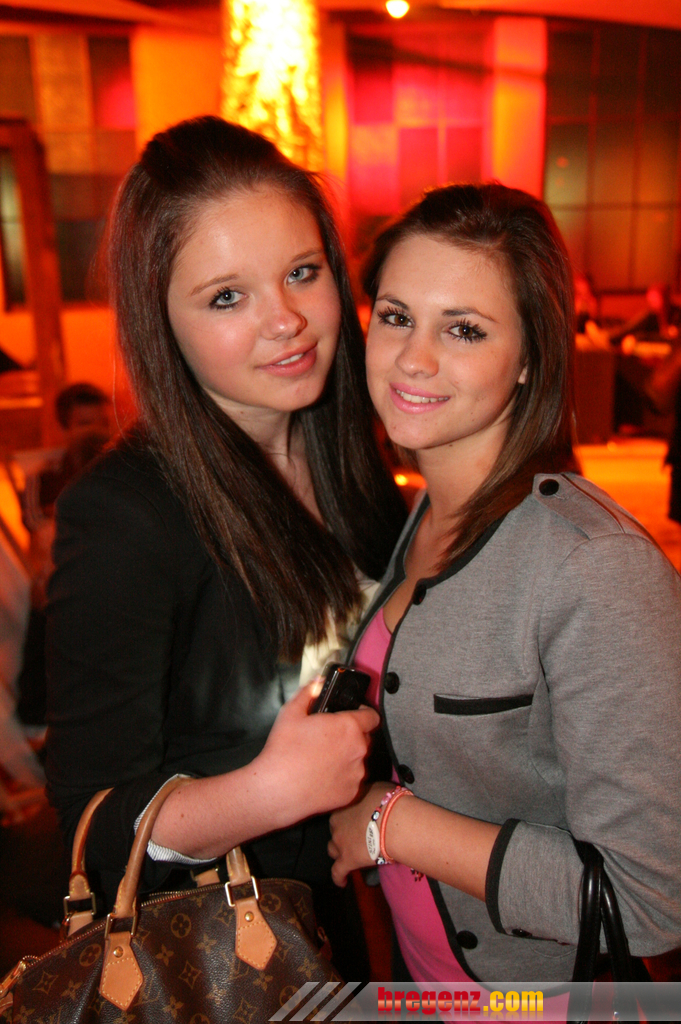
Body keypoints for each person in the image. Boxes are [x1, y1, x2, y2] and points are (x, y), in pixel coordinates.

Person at [45, 116, 406, 972]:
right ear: (160, 319)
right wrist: (264, 793)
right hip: (217, 964)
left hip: (352, 928)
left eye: (302, 273)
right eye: (225, 297)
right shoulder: (126, 514)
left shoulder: (350, 457)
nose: (286, 320)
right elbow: (91, 824)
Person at [328, 183, 681, 988]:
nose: (413, 358)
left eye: (463, 329)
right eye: (395, 316)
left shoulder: (592, 567)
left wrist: (392, 825)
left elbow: (650, 902)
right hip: (424, 984)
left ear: (528, 358)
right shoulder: (425, 513)